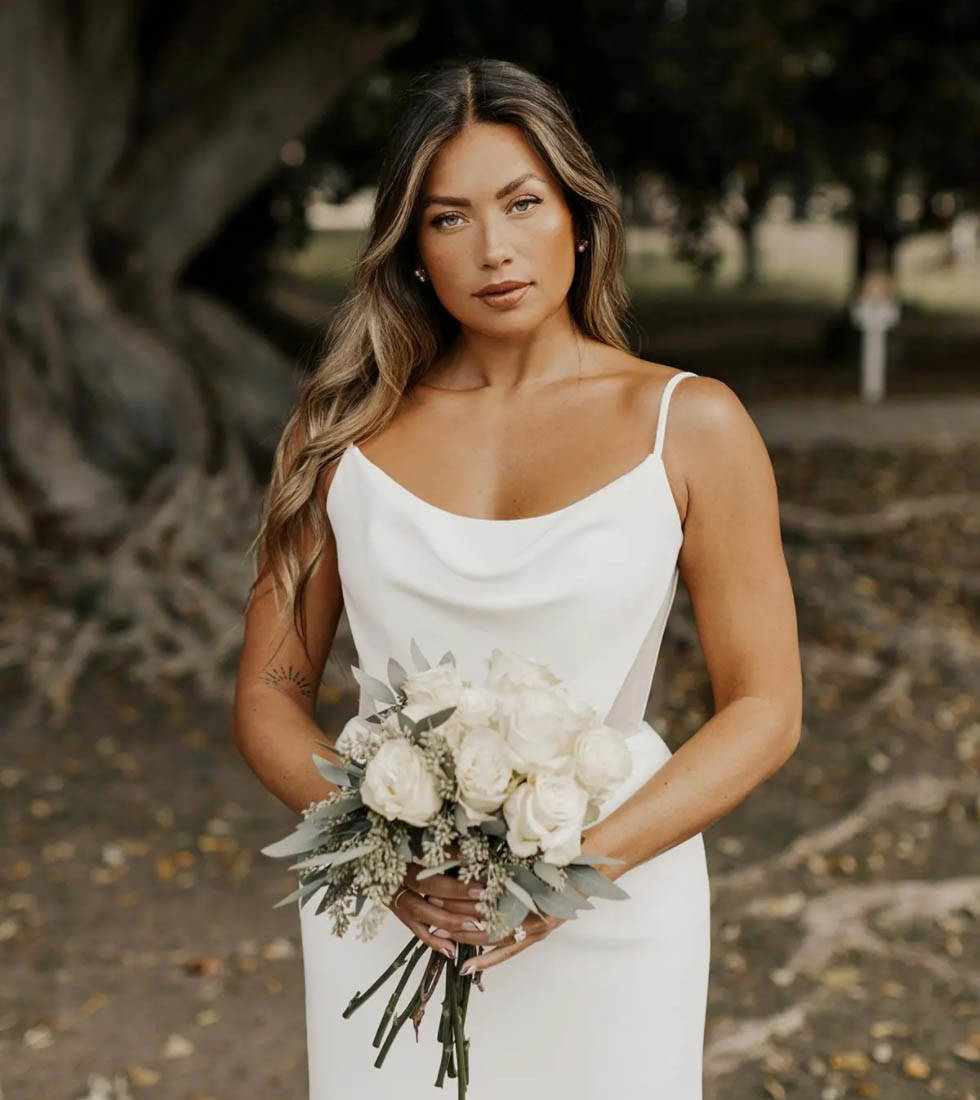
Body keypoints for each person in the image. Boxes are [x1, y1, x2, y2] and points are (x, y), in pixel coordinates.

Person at [232, 57, 802, 1100]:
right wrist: (384, 853)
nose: (492, 248)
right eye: (447, 218)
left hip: (616, 892)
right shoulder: (335, 433)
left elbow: (765, 705)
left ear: (577, 216)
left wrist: (578, 869)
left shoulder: (692, 423)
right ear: (411, 249)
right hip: (393, 901)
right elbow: (268, 693)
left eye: (520, 203)